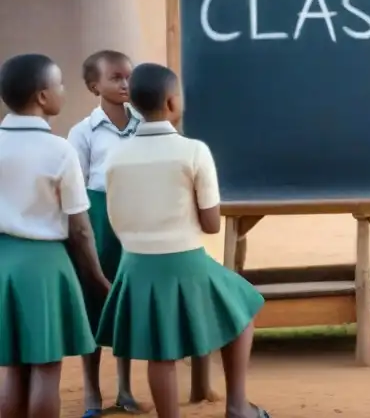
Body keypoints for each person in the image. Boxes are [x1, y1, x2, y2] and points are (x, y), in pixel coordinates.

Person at [96, 63, 270, 418]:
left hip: (136, 262)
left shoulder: (115, 155)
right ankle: (237, 405)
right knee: (243, 309)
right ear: (172, 103)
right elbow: (211, 224)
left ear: (133, 105)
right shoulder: (193, 151)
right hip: (183, 258)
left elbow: (115, 217)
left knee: (162, 350)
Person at [0, 54, 109, 418]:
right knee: (47, 369)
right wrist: (95, 276)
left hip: (3, 264)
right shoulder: (59, 150)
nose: (64, 89)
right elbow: (79, 228)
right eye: (60, 84)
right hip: (45, 267)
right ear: (43, 96)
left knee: (13, 368)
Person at [67, 50, 143, 417]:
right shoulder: (82, 132)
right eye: (115, 77)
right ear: (94, 85)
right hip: (98, 223)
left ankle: (125, 389)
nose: (125, 83)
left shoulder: (145, 124)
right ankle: (91, 393)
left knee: (125, 302)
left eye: (129, 76)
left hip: (136, 220)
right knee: (95, 300)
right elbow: (74, 188)